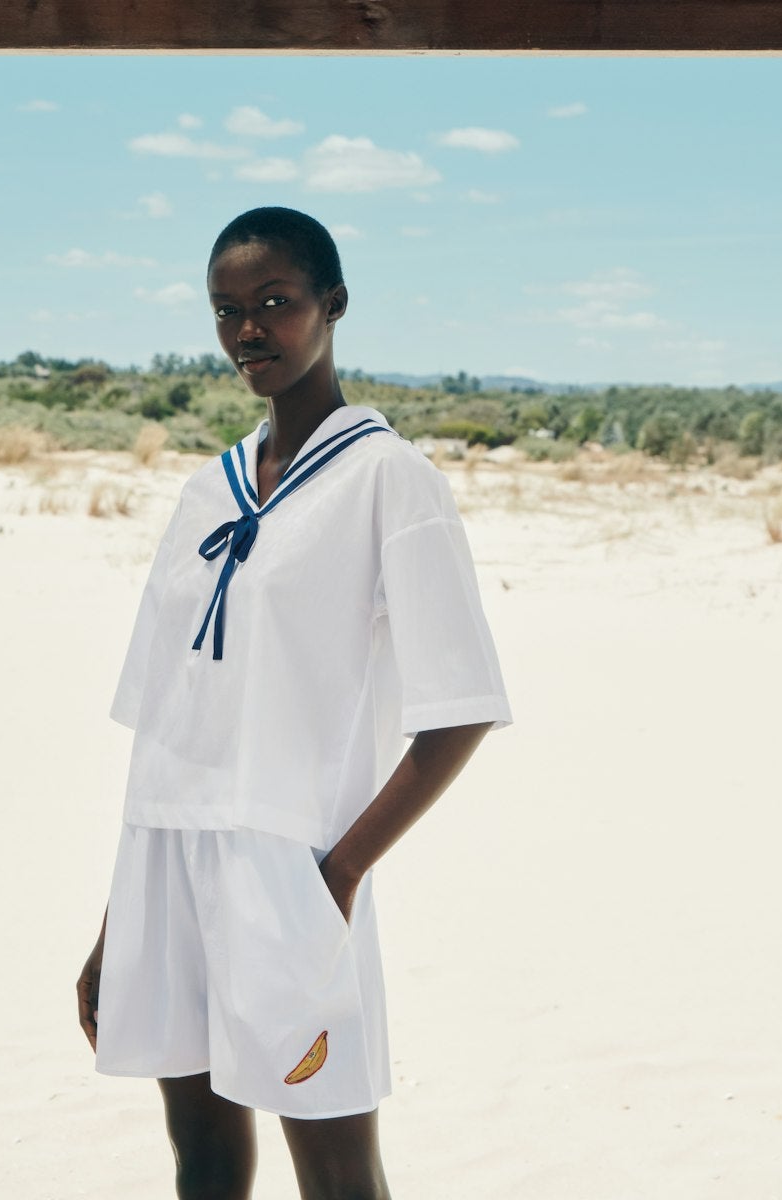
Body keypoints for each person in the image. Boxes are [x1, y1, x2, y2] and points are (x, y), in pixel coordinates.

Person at [75, 206, 512, 1200]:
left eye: (275, 303)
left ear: (334, 306)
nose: (249, 332)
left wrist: (341, 873)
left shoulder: (389, 481)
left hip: (288, 866)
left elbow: (463, 707)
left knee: (336, 1170)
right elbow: (166, 722)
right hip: (165, 860)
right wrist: (117, 923)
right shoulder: (207, 491)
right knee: (204, 1160)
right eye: (228, 311)